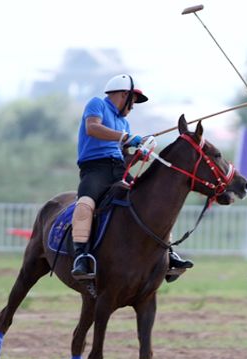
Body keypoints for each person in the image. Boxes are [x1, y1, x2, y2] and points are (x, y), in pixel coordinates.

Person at [71, 74, 193, 281]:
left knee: (147, 204)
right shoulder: (97, 104)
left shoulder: (124, 123)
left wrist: (137, 156)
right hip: (95, 169)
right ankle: (81, 257)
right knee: (85, 204)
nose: (133, 106)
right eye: (133, 101)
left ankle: (168, 253)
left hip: (118, 170)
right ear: (124, 95)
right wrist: (125, 137)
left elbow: (125, 158)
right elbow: (92, 128)